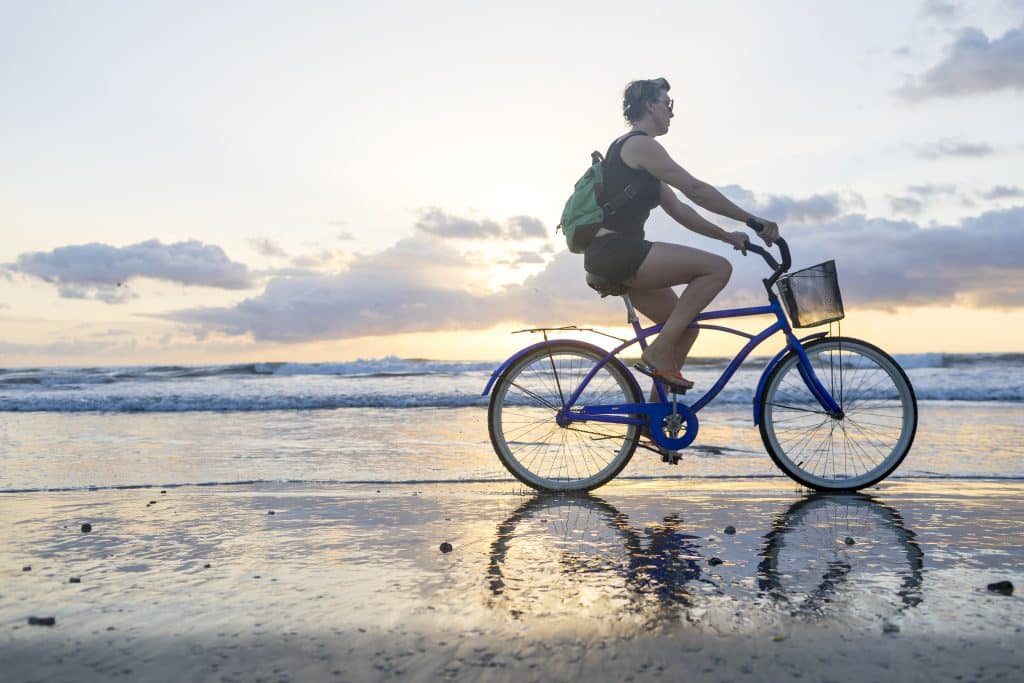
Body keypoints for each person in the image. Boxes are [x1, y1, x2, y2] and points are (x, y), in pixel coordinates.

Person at [584, 77, 780, 392]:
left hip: (614, 257)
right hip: (617, 252)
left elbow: (682, 212)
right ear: (650, 105)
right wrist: (751, 220)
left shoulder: (641, 161)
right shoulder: (639, 145)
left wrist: (727, 236)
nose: (671, 113)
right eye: (667, 103)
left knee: (684, 329)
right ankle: (658, 352)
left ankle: (653, 417)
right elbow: (695, 189)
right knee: (718, 268)